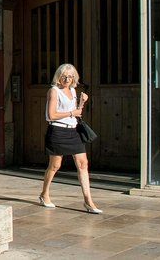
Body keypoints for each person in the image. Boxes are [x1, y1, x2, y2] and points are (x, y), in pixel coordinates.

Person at [38, 63, 101, 213]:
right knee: (55, 165)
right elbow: (51, 115)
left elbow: (76, 112)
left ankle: (88, 201)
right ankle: (44, 194)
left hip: (73, 131)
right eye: (64, 76)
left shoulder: (73, 90)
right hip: (58, 131)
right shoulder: (54, 91)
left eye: (71, 76)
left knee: (83, 164)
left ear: (74, 78)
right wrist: (72, 113)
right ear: (59, 77)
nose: (67, 79)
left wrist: (81, 102)